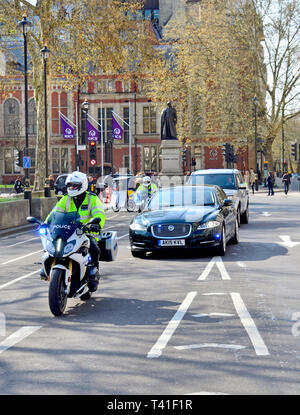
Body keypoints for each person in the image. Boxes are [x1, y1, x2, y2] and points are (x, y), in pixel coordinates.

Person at [43, 171, 106, 292]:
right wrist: (46, 223)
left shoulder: (92, 199)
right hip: (68, 232)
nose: (71, 188)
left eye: (74, 185)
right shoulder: (66, 199)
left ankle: (93, 275)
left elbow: (99, 214)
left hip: (86, 232)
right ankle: (46, 270)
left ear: (82, 185)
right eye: (70, 185)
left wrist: (95, 225)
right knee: (50, 246)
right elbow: (54, 213)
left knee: (94, 249)